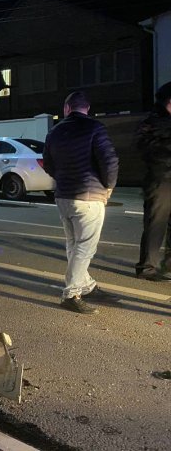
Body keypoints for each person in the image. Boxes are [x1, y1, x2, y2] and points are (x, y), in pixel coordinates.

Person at [43, 91, 120, 314]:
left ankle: (86, 285)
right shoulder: (95, 128)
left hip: (64, 196)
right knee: (85, 247)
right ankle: (71, 293)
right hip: (89, 196)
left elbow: (47, 163)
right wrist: (108, 187)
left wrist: (63, 178)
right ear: (87, 108)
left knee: (74, 244)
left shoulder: (54, 131)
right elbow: (110, 161)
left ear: (67, 108)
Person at [135, 82, 171, 282]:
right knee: (156, 223)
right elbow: (145, 149)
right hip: (160, 180)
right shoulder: (152, 122)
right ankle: (147, 267)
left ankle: (168, 264)